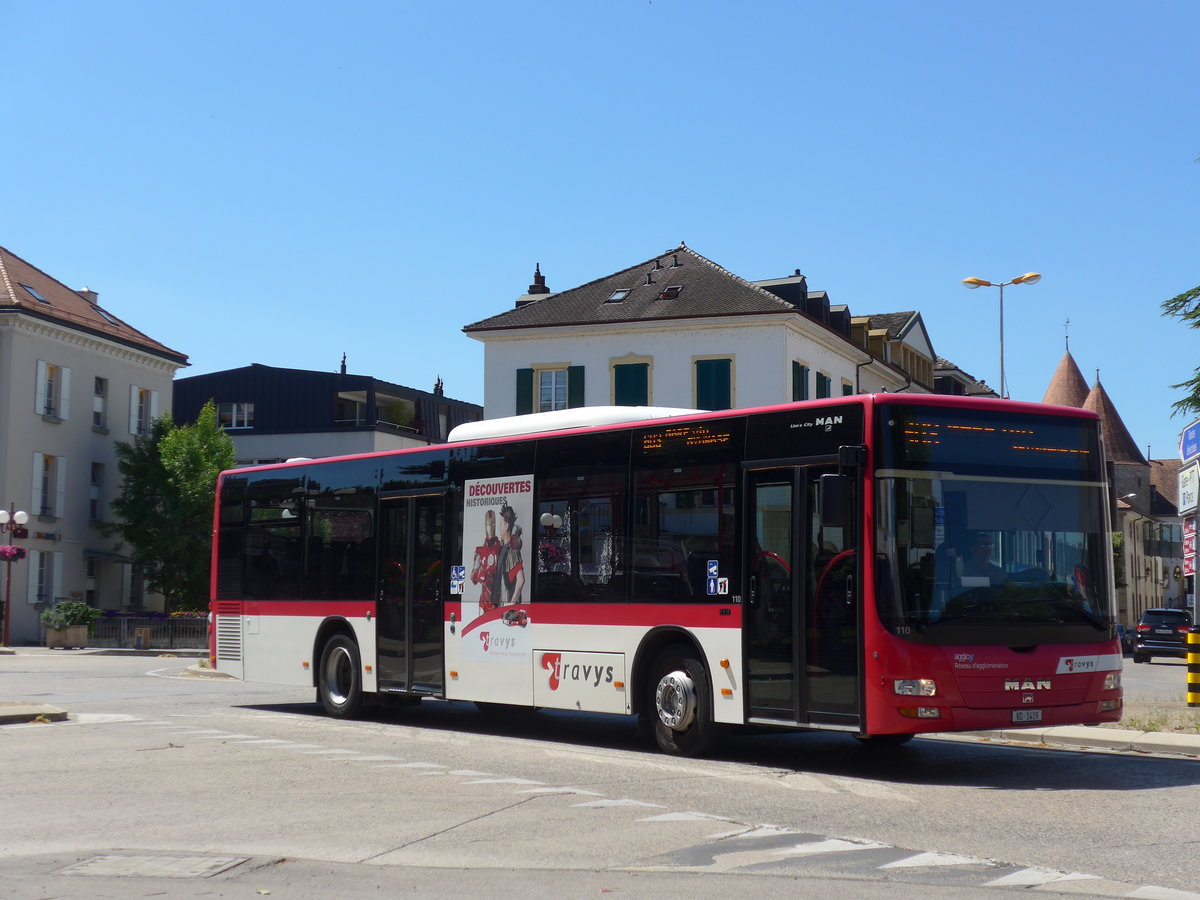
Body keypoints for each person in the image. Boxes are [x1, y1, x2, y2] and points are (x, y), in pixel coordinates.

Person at [495, 504, 526, 606]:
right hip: (501, 606)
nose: (499, 528)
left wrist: (511, 603)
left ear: (506, 526)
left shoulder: (511, 551)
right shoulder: (503, 548)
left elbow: (521, 580)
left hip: (507, 609)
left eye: (500, 524)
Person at [470, 509, 502, 612]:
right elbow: (473, 578)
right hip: (484, 598)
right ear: (485, 526)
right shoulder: (480, 551)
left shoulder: (501, 547)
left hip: (497, 596)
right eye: (488, 525)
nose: (491, 528)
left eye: (493, 524)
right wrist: (483, 575)